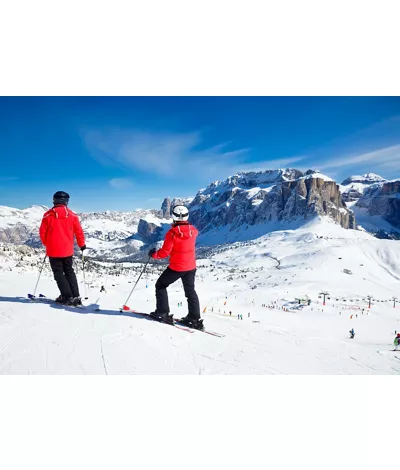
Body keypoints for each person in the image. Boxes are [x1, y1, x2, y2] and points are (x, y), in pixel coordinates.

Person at [148, 205, 203, 330]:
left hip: (177, 267)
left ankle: (162, 312)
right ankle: (194, 318)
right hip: (191, 266)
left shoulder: (172, 233)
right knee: (190, 291)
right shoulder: (193, 231)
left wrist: (153, 254)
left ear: (173, 216)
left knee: (161, 285)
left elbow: (164, 253)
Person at [39, 191, 86, 306]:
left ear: (54, 200)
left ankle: (67, 296)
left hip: (53, 250)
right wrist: (82, 245)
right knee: (69, 271)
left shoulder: (48, 215)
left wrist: (48, 244)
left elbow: (42, 233)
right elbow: (79, 232)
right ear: (66, 201)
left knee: (59, 273)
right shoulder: (72, 215)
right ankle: (76, 296)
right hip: (67, 250)